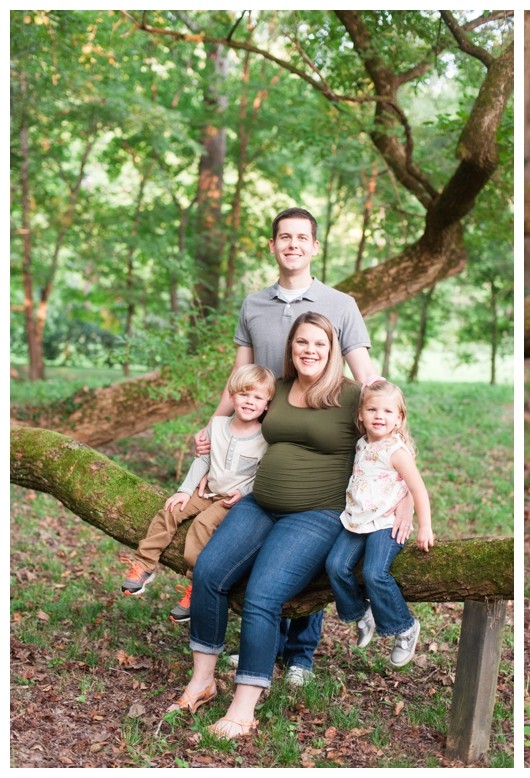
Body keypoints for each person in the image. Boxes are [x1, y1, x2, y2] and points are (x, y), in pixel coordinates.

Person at [170, 313, 416, 739]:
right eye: (302, 342)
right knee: (209, 572)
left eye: (319, 344)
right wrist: (209, 440)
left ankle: (243, 708)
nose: (309, 351)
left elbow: (398, 441)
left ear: (333, 350)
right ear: (291, 347)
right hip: (258, 503)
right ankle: (202, 681)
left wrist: (409, 502)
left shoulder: (353, 396)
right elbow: (240, 421)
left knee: (264, 593)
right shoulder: (277, 389)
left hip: (316, 516)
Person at [194, 206, 376, 686]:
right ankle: (262, 646)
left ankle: (300, 654)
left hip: (326, 433)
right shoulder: (254, 305)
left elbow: (368, 378)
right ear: (272, 246)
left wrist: (389, 436)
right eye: (284, 237)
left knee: (302, 543)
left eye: (302, 237)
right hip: (267, 431)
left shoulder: (340, 304)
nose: (293, 244)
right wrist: (214, 428)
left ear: (315, 247)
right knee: (263, 548)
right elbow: (240, 379)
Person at [118, 364, 275, 623]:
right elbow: (203, 460)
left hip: (230, 500)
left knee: (202, 527)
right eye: (244, 394)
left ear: (266, 404)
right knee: (170, 510)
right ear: (233, 396)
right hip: (207, 489)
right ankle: (144, 565)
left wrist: (243, 492)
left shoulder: (264, 438)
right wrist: (184, 490)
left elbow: (261, 474)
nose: (249, 401)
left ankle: (195, 588)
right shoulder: (218, 425)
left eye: (257, 397)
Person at [326, 378, 434, 668]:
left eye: (388, 412)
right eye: (372, 410)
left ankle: (404, 627)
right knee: (335, 565)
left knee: (375, 573)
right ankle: (363, 613)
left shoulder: (396, 451)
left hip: (386, 523)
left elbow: (418, 488)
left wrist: (424, 526)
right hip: (357, 520)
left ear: (399, 419)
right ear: (361, 414)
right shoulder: (362, 444)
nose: (379, 417)